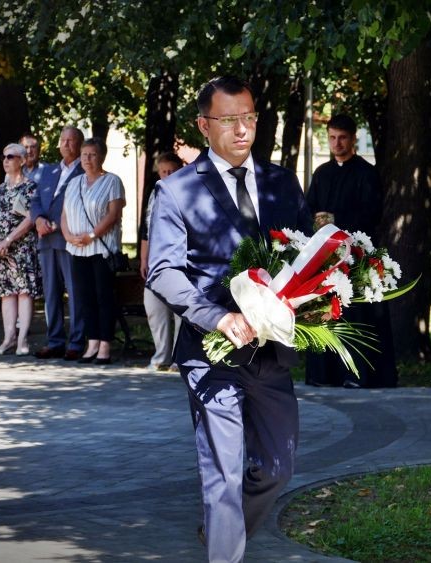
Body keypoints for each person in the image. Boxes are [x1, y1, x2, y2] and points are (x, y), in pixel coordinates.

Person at [147, 75, 312, 563]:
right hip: (211, 352)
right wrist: (216, 317)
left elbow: (304, 258)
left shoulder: (282, 183)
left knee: (277, 469)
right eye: (229, 120)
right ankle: (225, 547)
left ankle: (222, 529)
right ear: (204, 125)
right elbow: (163, 271)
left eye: (249, 118)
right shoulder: (176, 191)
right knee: (223, 474)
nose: (242, 130)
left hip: (271, 353)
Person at [304, 113, 397, 388]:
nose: (337, 143)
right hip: (325, 257)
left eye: (342, 138)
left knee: (356, 315)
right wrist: (317, 221)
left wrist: (336, 220)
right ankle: (323, 375)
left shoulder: (366, 174)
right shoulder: (321, 173)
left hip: (356, 257)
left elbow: (372, 213)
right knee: (324, 312)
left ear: (354, 138)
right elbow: (309, 208)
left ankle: (356, 375)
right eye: (332, 137)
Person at [61, 138, 126, 365]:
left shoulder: (112, 181)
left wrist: (91, 235)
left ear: (102, 157)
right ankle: (92, 342)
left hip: (101, 249)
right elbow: (65, 214)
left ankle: (105, 344)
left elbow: (113, 214)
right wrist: (68, 236)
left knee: (103, 297)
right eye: (84, 154)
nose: (87, 159)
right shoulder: (73, 183)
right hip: (77, 249)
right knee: (84, 297)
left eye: (92, 154)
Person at [31, 126, 86, 361]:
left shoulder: (85, 170)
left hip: (70, 239)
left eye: (71, 140)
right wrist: (38, 219)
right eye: (63, 140)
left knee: (74, 291)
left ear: (80, 144)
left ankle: (76, 342)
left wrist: (59, 223)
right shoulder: (48, 170)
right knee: (51, 293)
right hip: (46, 239)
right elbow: (35, 200)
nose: (65, 144)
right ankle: (54, 341)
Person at [0, 143, 42, 355]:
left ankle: (22, 339)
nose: (6, 160)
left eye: (10, 156)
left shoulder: (30, 187)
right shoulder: (0, 189)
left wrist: (8, 240)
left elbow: (30, 219)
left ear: (22, 160)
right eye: (4, 157)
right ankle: (8, 338)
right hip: (0, 250)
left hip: (22, 248)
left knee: (24, 292)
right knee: (6, 293)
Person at [139, 152, 185, 371]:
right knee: (154, 307)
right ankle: (161, 356)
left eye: (172, 171)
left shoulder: (187, 192)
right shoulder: (155, 193)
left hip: (179, 258)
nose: (167, 175)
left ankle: (179, 358)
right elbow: (146, 228)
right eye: (164, 171)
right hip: (155, 258)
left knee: (180, 311)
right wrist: (143, 259)